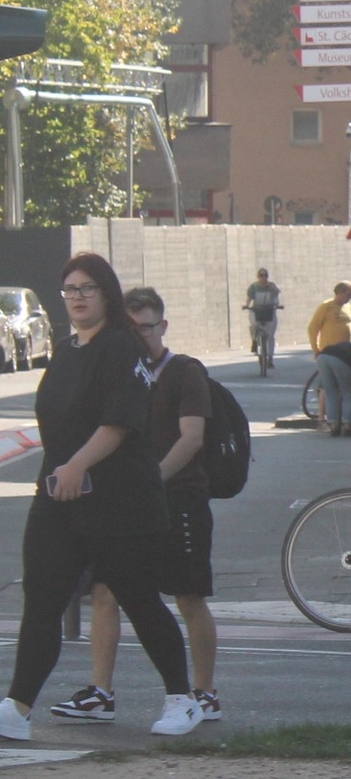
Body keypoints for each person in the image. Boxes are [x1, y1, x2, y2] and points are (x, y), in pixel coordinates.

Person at [0, 255, 202, 740]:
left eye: (87, 288)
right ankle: (16, 708)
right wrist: (63, 471)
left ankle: (182, 699)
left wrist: (77, 464)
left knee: (138, 598)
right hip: (60, 499)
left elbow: (118, 422)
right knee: (43, 600)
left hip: (120, 503)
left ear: (106, 294)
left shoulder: (119, 348)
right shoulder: (67, 351)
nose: (77, 297)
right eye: (69, 288)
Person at [52, 288, 221, 724]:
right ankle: (100, 692)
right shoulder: (115, 369)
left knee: (188, 595)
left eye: (147, 327)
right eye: (132, 327)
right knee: (107, 593)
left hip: (179, 497)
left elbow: (192, 438)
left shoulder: (183, 372)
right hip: (125, 506)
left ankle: (204, 693)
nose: (140, 336)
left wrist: (153, 481)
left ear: (163, 326)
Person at [307, 280, 351, 435]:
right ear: (340, 292)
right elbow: (312, 328)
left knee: (334, 390)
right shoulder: (326, 306)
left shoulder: (348, 307)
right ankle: (338, 422)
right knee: (335, 389)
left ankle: (335, 422)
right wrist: (316, 349)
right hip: (329, 353)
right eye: (349, 293)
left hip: (345, 354)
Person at [242, 268, 281, 374]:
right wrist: (246, 305)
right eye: (261, 275)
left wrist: (277, 305)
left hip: (269, 311)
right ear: (258, 276)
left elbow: (276, 299)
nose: (263, 277)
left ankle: (270, 358)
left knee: (270, 335)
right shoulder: (254, 287)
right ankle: (254, 341)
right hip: (257, 311)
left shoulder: (272, 287)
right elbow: (249, 299)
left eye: (265, 275)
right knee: (254, 325)